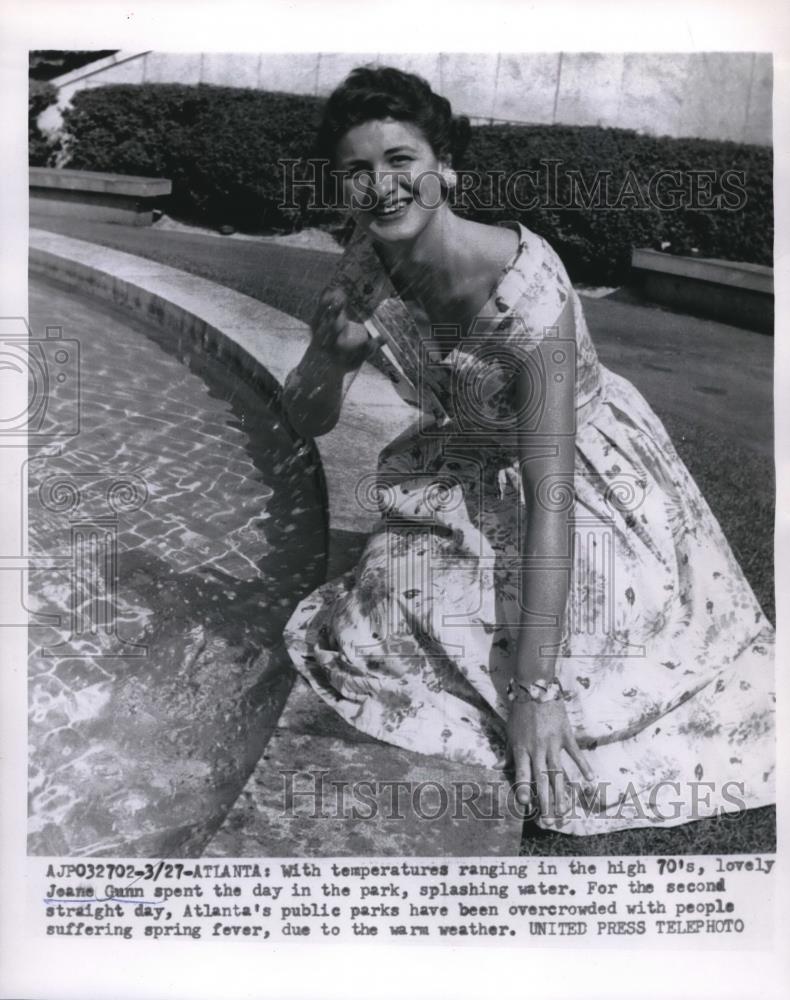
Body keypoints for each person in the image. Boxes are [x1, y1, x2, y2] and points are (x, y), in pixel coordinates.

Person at [281, 65, 775, 834]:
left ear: (445, 168)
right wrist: (326, 353)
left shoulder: (528, 292)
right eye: (357, 171)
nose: (380, 187)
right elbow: (307, 416)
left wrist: (535, 694)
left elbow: (551, 496)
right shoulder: (366, 261)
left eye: (400, 161)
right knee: (394, 599)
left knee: (587, 665)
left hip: (582, 485)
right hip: (465, 470)